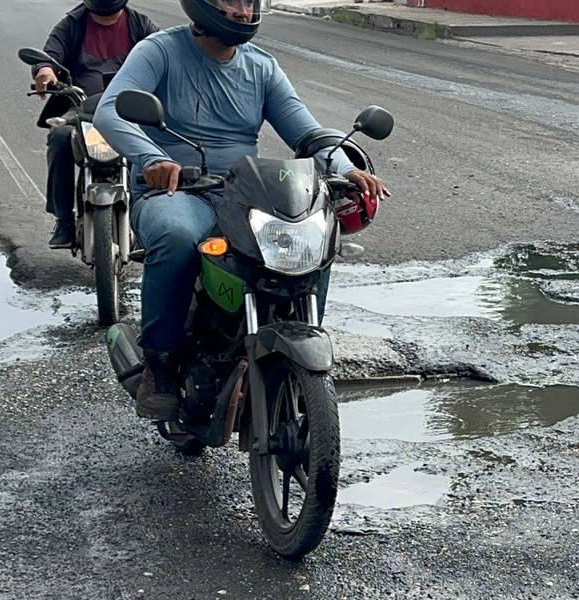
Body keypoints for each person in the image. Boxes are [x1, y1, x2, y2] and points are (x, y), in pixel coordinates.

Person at [93, 0, 386, 421]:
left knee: (314, 239)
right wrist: (151, 158)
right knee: (177, 237)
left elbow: (306, 132)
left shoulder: (262, 68)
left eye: (249, 2)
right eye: (230, 1)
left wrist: (346, 168)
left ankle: (298, 345)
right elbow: (110, 109)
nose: (242, 11)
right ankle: (161, 365)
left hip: (241, 196)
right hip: (177, 191)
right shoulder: (160, 51)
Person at [32, 0, 159, 248]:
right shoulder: (72, 24)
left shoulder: (141, 25)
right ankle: (64, 220)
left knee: (156, 145)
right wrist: (45, 71)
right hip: (81, 108)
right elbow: (49, 56)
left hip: (128, 109)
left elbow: (164, 53)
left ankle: (148, 217)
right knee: (60, 137)